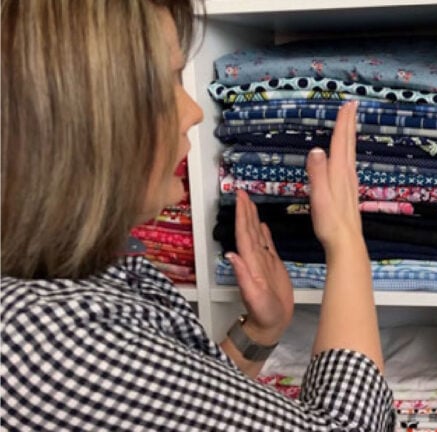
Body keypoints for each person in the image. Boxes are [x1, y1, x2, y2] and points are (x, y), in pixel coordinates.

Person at [0, 1, 394, 430]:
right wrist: (346, 240)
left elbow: (157, 413)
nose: (196, 112)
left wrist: (261, 332)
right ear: (81, 118)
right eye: (167, 81)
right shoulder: (41, 338)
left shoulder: (69, 290)